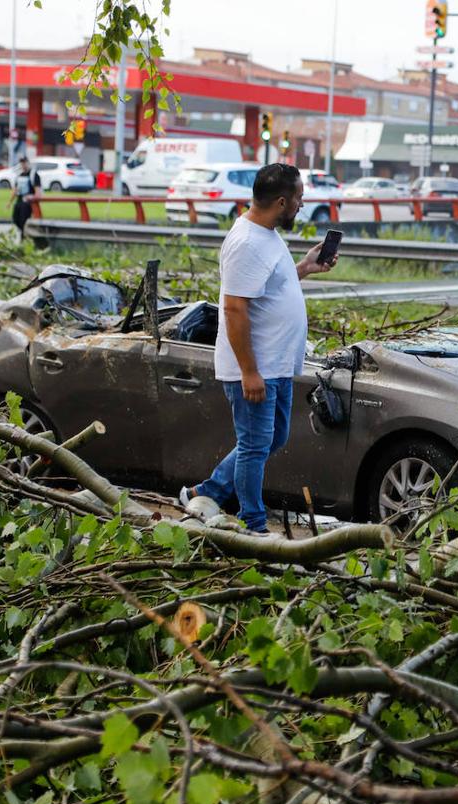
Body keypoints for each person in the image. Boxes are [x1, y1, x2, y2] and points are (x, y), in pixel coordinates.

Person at [179, 163, 337, 534]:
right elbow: (234, 310)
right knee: (254, 445)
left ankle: (208, 490)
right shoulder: (247, 243)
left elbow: (268, 286)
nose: (302, 204)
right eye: (298, 197)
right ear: (282, 201)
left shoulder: (265, 234)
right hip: (256, 366)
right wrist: (249, 371)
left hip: (275, 363)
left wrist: (305, 268)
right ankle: (253, 524)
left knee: (273, 437)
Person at [9, 157, 41, 238]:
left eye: (24, 163)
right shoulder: (19, 175)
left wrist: (33, 198)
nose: (23, 165)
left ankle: (24, 237)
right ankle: (25, 234)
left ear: (28, 163)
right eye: (21, 163)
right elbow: (15, 190)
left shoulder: (33, 175)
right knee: (16, 219)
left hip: (28, 203)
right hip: (19, 200)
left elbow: (38, 192)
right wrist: (10, 202)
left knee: (24, 220)